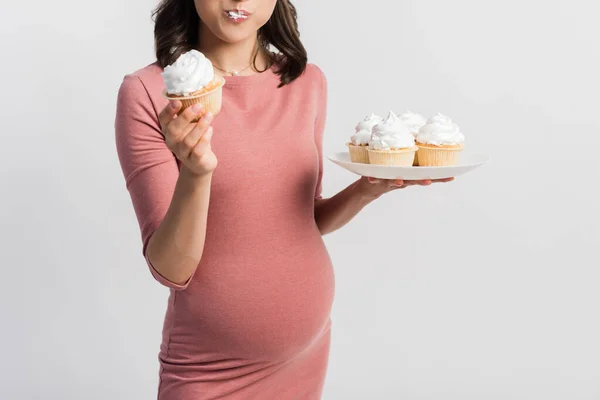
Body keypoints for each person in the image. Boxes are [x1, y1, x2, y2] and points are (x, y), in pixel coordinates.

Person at [115, 0, 451, 398]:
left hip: (305, 359)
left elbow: (301, 219)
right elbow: (170, 268)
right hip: (210, 370)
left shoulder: (307, 81)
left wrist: (368, 188)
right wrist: (197, 171)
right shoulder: (151, 93)